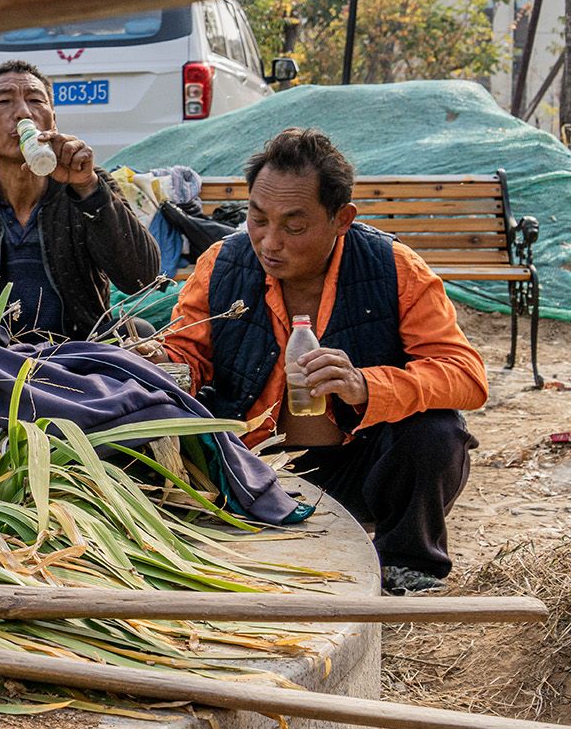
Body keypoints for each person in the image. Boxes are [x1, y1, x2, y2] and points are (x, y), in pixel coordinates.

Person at [145, 127, 486, 594]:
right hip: (250, 464)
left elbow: (465, 374)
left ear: (341, 218)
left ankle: (407, 564)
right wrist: (158, 359)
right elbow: (189, 353)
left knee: (435, 432)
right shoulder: (222, 263)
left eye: (294, 225)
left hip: (359, 467)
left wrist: (368, 385)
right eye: (258, 218)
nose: (270, 242)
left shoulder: (395, 267)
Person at [0, 60, 159, 341]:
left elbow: (142, 279)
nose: (23, 113)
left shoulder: (87, 182)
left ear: (53, 120)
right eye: (4, 101)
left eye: (35, 100)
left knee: (140, 332)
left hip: (79, 349)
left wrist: (89, 190)